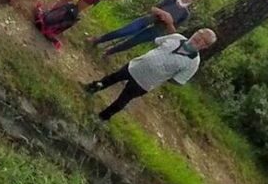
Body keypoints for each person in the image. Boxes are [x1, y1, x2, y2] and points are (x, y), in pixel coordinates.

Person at [84, 28, 216, 121]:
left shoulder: (193, 63)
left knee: (123, 99)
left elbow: (177, 81)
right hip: (136, 65)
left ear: (205, 47)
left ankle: (103, 117)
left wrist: (161, 73)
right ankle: (91, 88)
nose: (197, 39)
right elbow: (158, 41)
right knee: (112, 77)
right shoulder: (177, 37)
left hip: (145, 83)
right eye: (198, 35)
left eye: (202, 40)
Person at [93, 0, 201, 58]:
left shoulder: (185, 14)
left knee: (132, 42)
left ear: (193, 1)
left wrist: (169, 22)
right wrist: (162, 13)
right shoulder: (170, 0)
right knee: (123, 32)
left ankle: (109, 52)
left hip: (157, 30)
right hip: (148, 19)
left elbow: (173, 32)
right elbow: (153, 8)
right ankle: (99, 39)